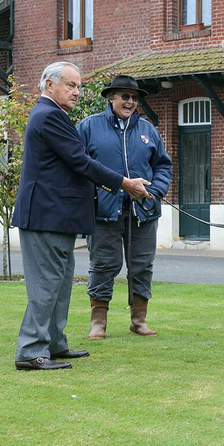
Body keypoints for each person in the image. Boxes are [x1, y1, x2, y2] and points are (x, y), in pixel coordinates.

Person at [12, 62, 152, 371]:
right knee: (46, 286)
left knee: (59, 285)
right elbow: (81, 161)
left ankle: (54, 344)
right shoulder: (49, 115)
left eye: (78, 86)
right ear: (50, 85)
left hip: (58, 217)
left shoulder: (54, 116)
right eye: (71, 85)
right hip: (45, 216)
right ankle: (30, 351)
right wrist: (124, 183)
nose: (77, 91)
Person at [77, 75, 172, 340]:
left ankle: (138, 320)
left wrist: (155, 191)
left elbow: (163, 165)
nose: (130, 102)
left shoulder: (148, 130)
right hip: (103, 212)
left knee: (142, 266)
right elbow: (77, 165)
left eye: (134, 97)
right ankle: (98, 323)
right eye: (124, 96)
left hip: (143, 211)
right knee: (103, 265)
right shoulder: (88, 127)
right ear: (111, 98)